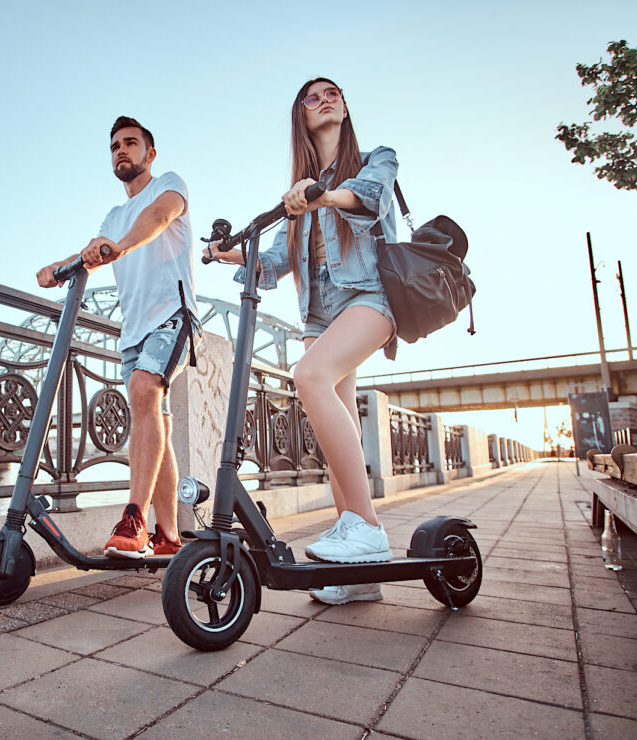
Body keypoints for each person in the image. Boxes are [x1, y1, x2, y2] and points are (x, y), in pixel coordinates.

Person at [208, 78, 398, 604]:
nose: (326, 100)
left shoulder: (375, 159)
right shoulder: (296, 192)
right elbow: (274, 262)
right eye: (313, 97)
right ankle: (364, 576)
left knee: (309, 376)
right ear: (300, 116)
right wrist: (232, 254)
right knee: (338, 432)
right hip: (320, 316)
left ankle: (366, 529)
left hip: (371, 298)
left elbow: (370, 197)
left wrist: (322, 196)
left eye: (333, 93)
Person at [37, 116, 200, 559]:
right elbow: (96, 248)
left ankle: (135, 520)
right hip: (133, 332)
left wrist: (119, 247)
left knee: (144, 388)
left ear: (149, 153)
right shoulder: (113, 214)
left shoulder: (168, 183)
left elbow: (158, 216)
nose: (121, 151)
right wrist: (63, 265)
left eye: (131, 143)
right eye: (115, 146)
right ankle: (168, 536)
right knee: (155, 419)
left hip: (173, 316)